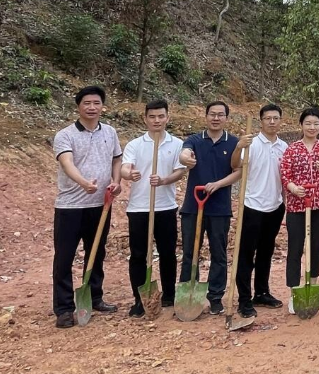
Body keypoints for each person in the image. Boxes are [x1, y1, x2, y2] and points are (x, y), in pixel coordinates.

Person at [52, 86, 123, 328]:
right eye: (87, 103)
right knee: (64, 257)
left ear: (102, 106)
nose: (92, 107)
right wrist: (83, 183)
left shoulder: (110, 132)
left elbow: (116, 159)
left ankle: (94, 297)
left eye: (96, 103)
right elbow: (67, 163)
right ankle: (63, 309)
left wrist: (116, 182)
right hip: (70, 206)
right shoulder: (65, 135)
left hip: (100, 205)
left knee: (97, 252)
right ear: (78, 106)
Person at [120, 99, 185, 317]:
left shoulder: (177, 144)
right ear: (145, 119)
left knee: (168, 252)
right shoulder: (135, 145)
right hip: (139, 208)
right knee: (139, 254)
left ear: (167, 117)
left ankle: (169, 295)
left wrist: (165, 180)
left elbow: (180, 171)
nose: (157, 120)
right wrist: (130, 174)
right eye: (152, 117)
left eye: (161, 116)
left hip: (166, 207)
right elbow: (125, 168)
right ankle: (140, 299)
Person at [179, 101, 243, 315]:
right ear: (205, 116)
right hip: (192, 206)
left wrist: (218, 184)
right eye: (212, 114)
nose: (216, 118)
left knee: (219, 253)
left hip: (219, 208)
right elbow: (184, 154)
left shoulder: (233, 142)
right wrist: (186, 159)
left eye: (220, 115)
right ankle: (188, 293)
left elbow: (238, 171)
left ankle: (215, 297)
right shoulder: (194, 140)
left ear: (226, 118)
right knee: (190, 252)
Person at [231, 104, 288, 318]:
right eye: (267, 118)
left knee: (266, 251)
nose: (272, 122)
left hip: (275, 206)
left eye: (275, 118)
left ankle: (262, 292)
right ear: (261, 121)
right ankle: (244, 299)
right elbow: (235, 165)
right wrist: (238, 147)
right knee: (246, 254)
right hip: (252, 206)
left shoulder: (284, 146)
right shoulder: (251, 144)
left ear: (280, 120)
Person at [280, 106, 319, 314]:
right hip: (297, 207)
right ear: (301, 125)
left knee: (316, 247)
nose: (312, 127)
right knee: (295, 248)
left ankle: (313, 285)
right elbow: (285, 174)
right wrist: (293, 188)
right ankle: (294, 292)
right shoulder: (292, 149)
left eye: (316, 123)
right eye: (308, 123)